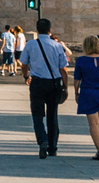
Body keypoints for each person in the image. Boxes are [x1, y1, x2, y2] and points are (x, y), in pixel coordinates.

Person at [18, 18, 68, 156]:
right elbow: (63, 68)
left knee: (37, 114)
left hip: (37, 83)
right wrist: (66, 86)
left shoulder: (31, 45)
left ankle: (42, 140)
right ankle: (53, 147)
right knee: (53, 115)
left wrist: (26, 77)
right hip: (53, 83)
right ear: (50, 30)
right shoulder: (57, 46)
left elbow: (23, 64)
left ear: (37, 30)